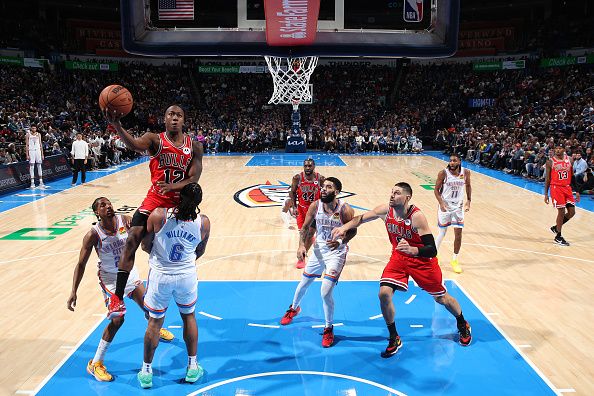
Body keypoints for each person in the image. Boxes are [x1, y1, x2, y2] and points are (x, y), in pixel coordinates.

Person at [331, 182, 472, 358]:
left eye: (396, 193)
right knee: (383, 294)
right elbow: (360, 219)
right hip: (398, 258)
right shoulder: (385, 211)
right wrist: (343, 228)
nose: (392, 195)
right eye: (391, 192)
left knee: (441, 298)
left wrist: (414, 250)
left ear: (407, 197)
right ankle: (393, 337)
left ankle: (462, 323)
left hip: (422, 261)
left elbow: (432, 249)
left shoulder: (416, 217)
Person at [104, 105, 203, 319]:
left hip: (180, 203)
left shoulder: (194, 146)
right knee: (132, 240)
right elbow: (135, 145)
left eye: (179, 115)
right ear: (164, 119)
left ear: (183, 120)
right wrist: (117, 125)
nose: (174, 118)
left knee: (183, 245)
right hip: (155, 198)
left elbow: (194, 179)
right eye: (170, 114)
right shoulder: (154, 139)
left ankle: (182, 279)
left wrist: (173, 187)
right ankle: (117, 298)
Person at [67, 197, 174, 382]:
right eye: (102, 205)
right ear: (96, 213)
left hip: (130, 274)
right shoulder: (93, 234)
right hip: (110, 280)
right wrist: (73, 290)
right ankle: (96, 363)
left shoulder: (125, 220)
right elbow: (80, 264)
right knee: (118, 320)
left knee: (150, 307)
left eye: (109, 203)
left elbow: (144, 237)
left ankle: (155, 329)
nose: (108, 206)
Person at [137, 183, 210, 388]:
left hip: (161, 275)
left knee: (154, 323)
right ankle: (192, 366)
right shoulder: (203, 222)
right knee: (189, 317)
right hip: (186, 274)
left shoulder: (159, 215)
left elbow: (145, 245)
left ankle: (146, 371)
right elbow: (200, 250)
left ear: (178, 197)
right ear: (198, 202)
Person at [280, 177, 356, 347]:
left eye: (328, 187)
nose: (323, 189)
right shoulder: (316, 206)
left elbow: (353, 231)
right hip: (318, 251)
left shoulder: (345, 210)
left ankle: (329, 328)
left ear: (336, 192)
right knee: (303, 283)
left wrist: (341, 242)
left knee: (325, 291)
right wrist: (301, 246)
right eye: (323, 186)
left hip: (336, 253)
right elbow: (306, 227)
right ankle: (294, 308)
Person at [434, 153, 472, 273]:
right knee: (442, 232)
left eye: (454, 161)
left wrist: (469, 201)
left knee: (458, 234)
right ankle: (435, 255)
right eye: (450, 161)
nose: (452, 163)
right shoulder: (443, 173)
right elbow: (436, 190)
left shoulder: (466, 173)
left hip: (458, 207)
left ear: (459, 162)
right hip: (445, 205)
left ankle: (454, 260)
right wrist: (441, 203)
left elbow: (469, 185)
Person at [289, 158, 324, 268]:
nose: (307, 168)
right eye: (306, 166)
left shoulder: (320, 179)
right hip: (302, 209)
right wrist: (294, 206)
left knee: (308, 234)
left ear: (314, 166)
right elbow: (292, 192)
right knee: (302, 233)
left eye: (310, 166)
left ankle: (302, 258)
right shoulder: (297, 178)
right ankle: (308, 242)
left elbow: (326, 193)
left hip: (315, 210)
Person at [545, 144, 580, 246]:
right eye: (556, 148)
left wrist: (577, 191)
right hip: (556, 188)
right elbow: (547, 179)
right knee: (561, 211)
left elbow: (572, 177)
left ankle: (556, 228)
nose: (558, 150)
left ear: (564, 149)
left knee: (572, 212)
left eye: (560, 148)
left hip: (567, 188)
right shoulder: (550, 161)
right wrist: (546, 194)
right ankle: (558, 236)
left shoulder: (570, 160)